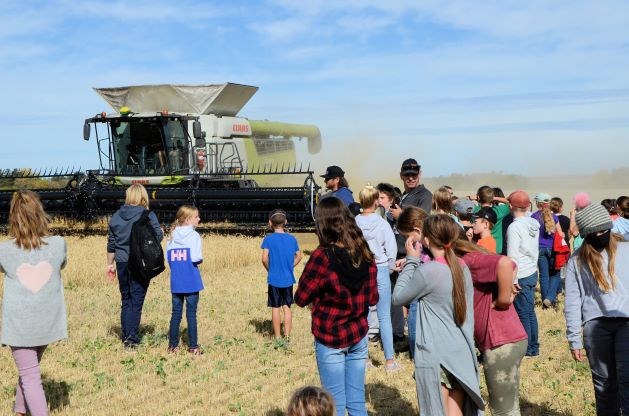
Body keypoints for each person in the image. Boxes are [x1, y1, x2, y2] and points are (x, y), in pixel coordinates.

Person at [393, 214, 483, 416]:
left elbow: (398, 297)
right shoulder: (461, 266)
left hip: (437, 354)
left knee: (437, 410)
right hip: (460, 350)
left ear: (426, 239)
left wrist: (411, 261)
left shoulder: (429, 271)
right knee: (455, 409)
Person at [294, 197, 378, 416]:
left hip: (330, 338)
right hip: (358, 335)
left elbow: (301, 297)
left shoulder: (322, 257)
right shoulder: (364, 251)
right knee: (358, 404)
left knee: (334, 406)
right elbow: (372, 298)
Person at [0, 190, 68, 416]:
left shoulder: (4, 251)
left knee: (30, 376)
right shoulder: (58, 244)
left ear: (13, 218)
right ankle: (20, 411)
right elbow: (62, 264)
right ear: (40, 214)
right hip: (48, 322)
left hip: (21, 325)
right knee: (28, 369)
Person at [564, 201, 629, 415]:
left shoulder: (626, 250)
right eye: (595, 232)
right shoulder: (577, 260)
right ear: (585, 234)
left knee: (627, 380)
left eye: (604, 230)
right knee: (603, 385)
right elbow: (573, 301)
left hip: (626, 323)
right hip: (595, 327)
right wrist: (574, 338)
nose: (600, 234)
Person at [454, 238, 527, 416]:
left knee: (503, 411)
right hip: (508, 339)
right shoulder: (470, 259)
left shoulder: (468, 261)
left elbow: (506, 263)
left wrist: (502, 299)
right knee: (510, 405)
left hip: (500, 343)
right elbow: (513, 264)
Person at [107, 184, 164, 349]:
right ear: (142, 196)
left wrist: (109, 264)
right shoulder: (147, 215)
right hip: (140, 263)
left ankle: (126, 335)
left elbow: (112, 244)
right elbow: (157, 237)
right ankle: (131, 340)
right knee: (136, 301)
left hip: (122, 262)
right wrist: (159, 231)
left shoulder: (116, 216)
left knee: (126, 299)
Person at [355, 185, 400, 372]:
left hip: (361, 269)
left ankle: (364, 358)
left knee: (363, 315)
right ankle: (389, 361)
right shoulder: (382, 223)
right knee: (384, 316)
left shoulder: (354, 223)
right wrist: (389, 268)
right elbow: (391, 250)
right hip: (380, 268)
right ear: (375, 201)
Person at [506, 190, 541, 358]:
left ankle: (528, 348)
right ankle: (534, 346)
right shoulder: (534, 223)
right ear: (528, 206)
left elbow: (512, 255)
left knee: (522, 313)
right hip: (532, 270)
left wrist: (513, 279)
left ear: (510, 206)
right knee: (530, 311)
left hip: (520, 274)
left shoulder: (514, 227)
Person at [166, 205, 204, 355]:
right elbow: (196, 258)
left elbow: (168, 258)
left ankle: (172, 346)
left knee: (176, 314)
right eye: (196, 217)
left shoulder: (172, 235)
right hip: (191, 280)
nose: (199, 219)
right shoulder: (194, 236)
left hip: (176, 281)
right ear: (188, 219)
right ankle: (193, 346)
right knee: (191, 314)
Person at [261, 209, 303, 340]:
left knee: (275, 307)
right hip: (288, 279)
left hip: (274, 279)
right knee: (287, 307)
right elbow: (299, 256)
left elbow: (264, 258)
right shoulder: (292, 239)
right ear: (286, 222)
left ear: (270, 223)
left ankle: (278, 337)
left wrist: (270, 269)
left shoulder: (268, 239)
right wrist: (290, 266)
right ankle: (288, 336)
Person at [395, 206, 430, 359]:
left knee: (415, 324)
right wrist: (408, 259)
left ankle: (417, 355)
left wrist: (412, 262)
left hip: (424, 292)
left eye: (407, 236)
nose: (407, 240)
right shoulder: (425, 243)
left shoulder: (430, 244)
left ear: (417, 229)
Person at [531, 192, 564, 308]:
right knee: (555, 274)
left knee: (544, 276)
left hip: (539, 249)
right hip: (552, 249)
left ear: (537, 203)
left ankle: (545, 302)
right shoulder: (554, 217)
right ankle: (550, 297)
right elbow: (561, 234)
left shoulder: (533, 217)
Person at [468, 186, 510, 254]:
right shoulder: (500, 210)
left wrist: (469, 198)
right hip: (498, 247)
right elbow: (508, 202)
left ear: (478, 197)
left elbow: (460, 204)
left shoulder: (476, 211)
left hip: (481, 247)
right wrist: (492, 198)